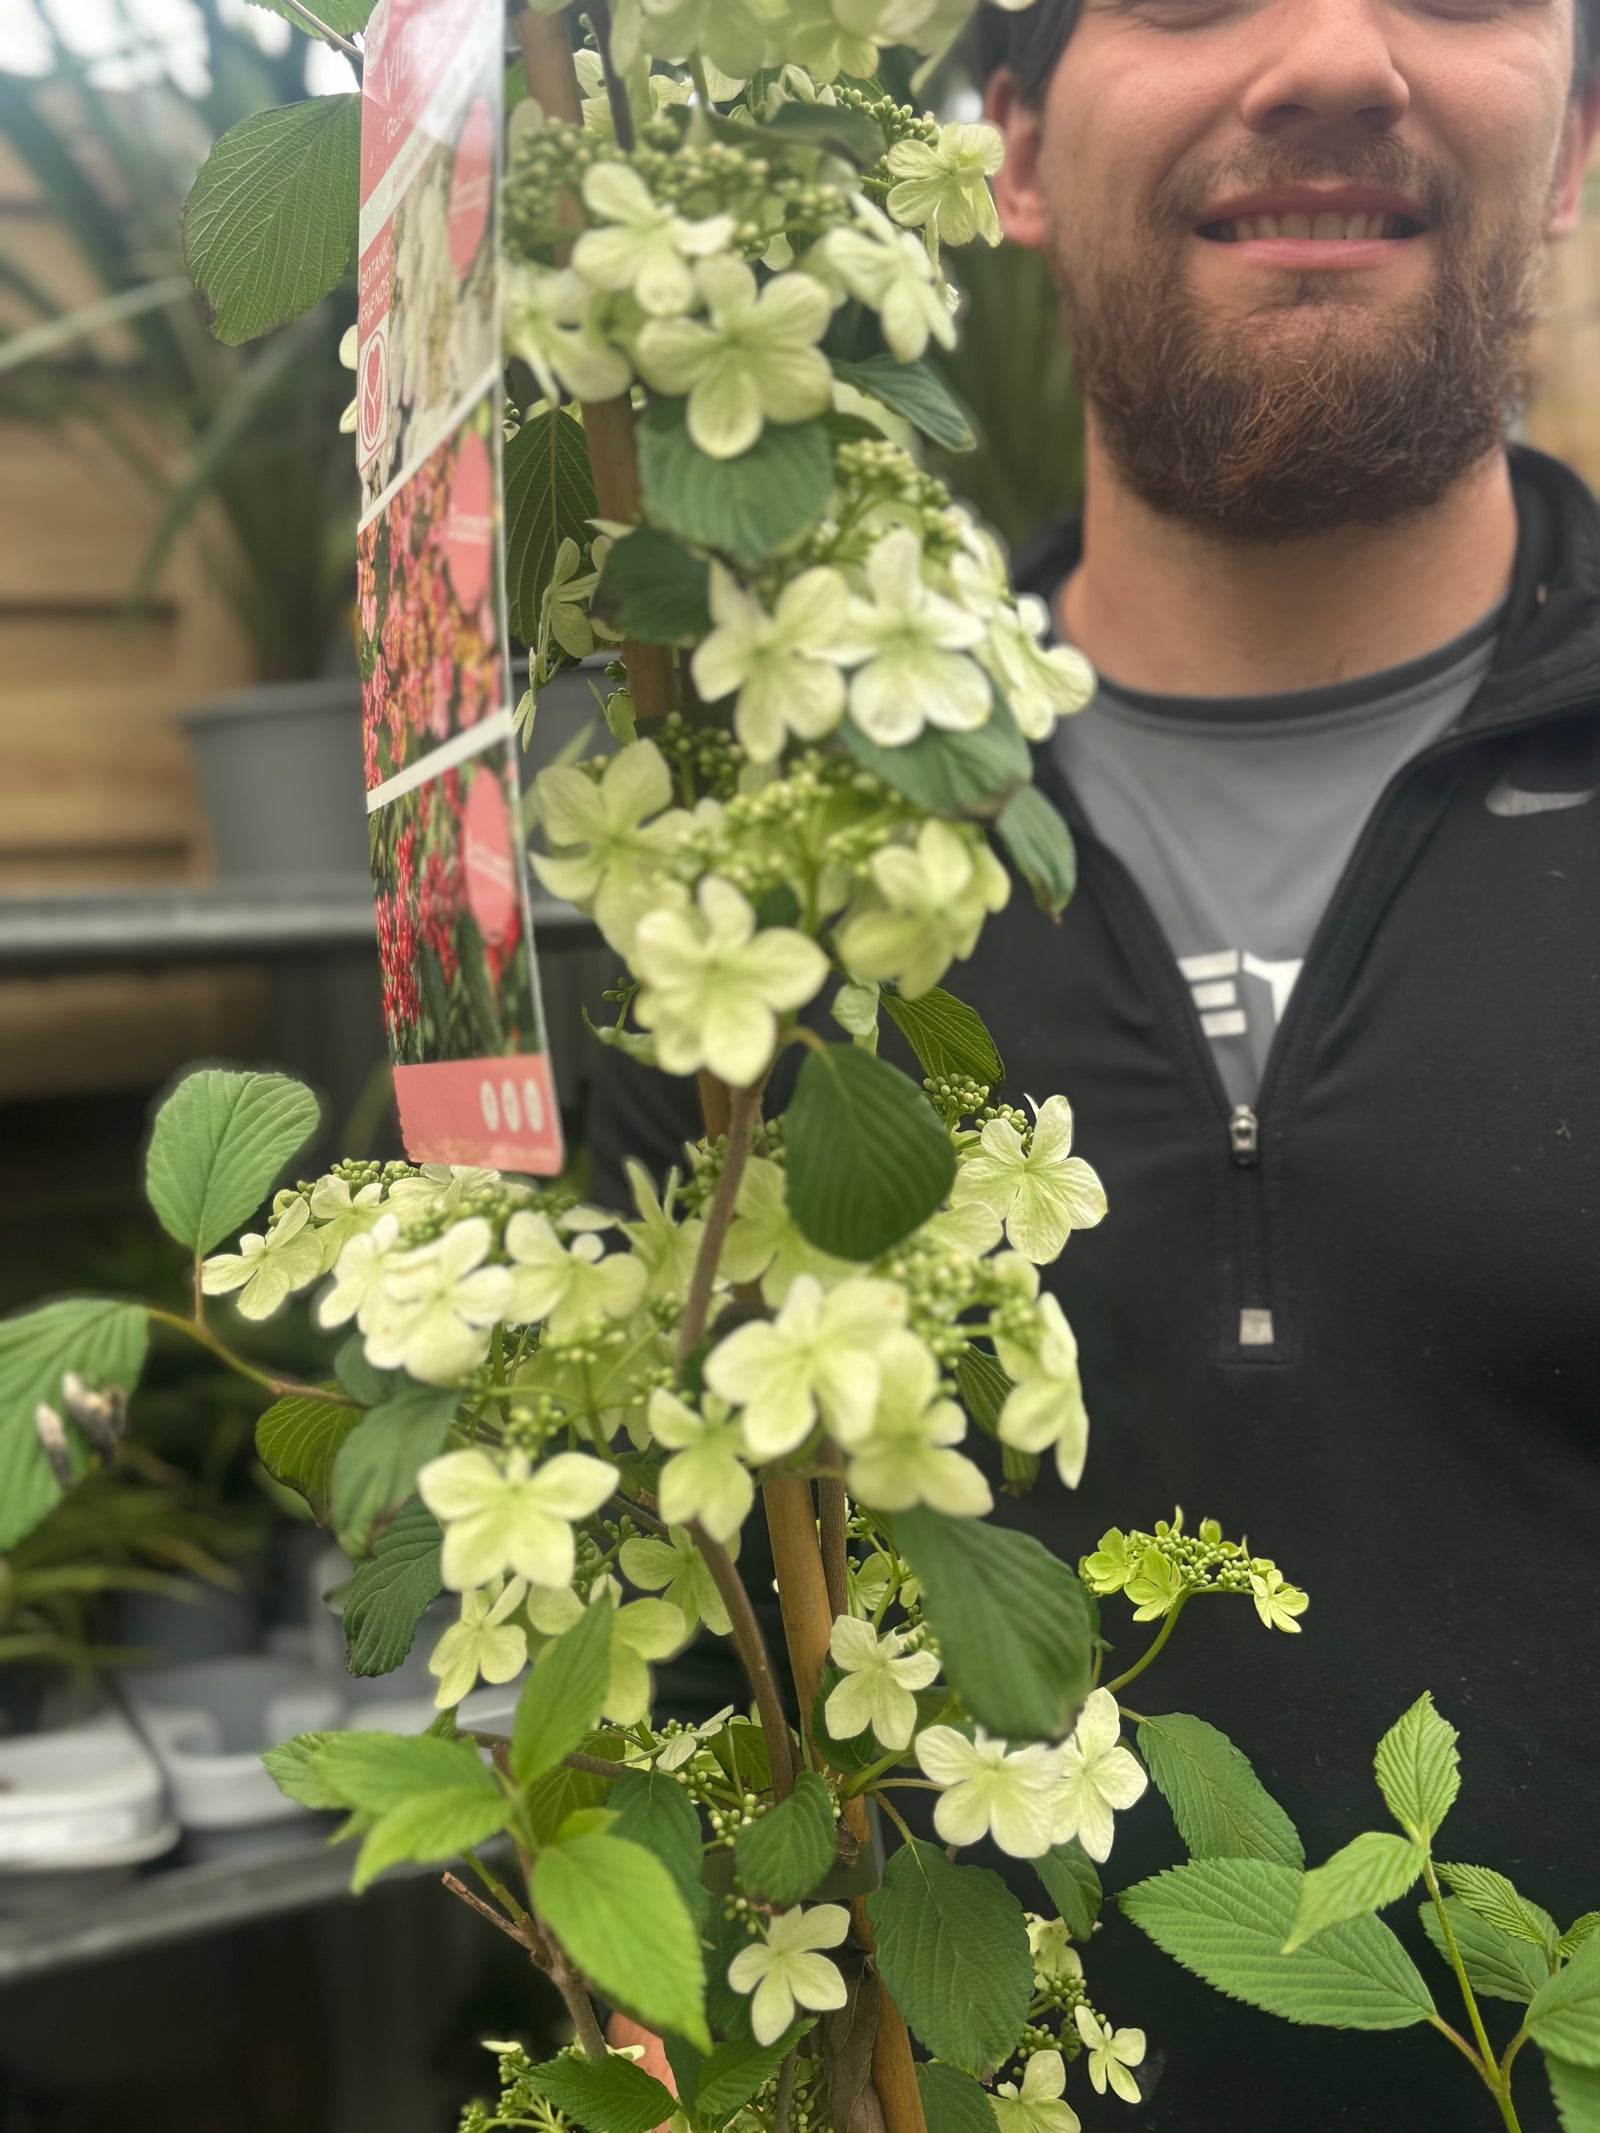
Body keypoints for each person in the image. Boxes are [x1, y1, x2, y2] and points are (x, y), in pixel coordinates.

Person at [587, 0, 1600, 2122]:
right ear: (1011, 150)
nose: (1330, 51)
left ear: (1575, 143)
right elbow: (646, 1671)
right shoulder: (741, 873)